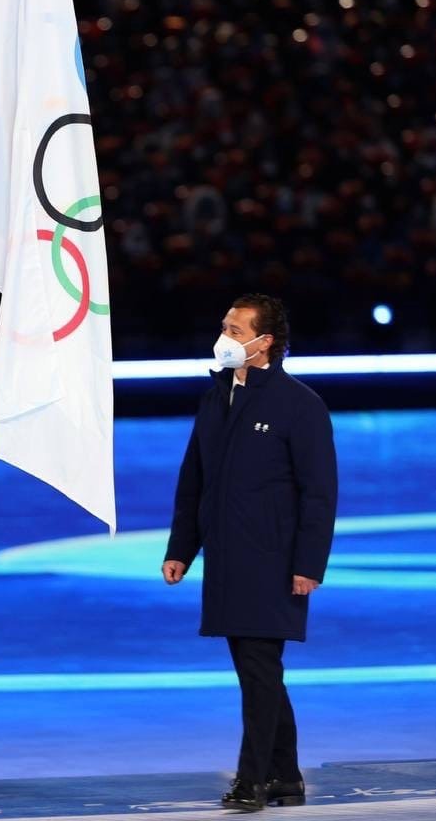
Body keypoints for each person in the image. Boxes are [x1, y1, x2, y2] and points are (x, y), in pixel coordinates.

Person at [162, 294, 338, 812]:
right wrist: (181, 549)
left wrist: (308, 565)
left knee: (259, 670)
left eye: (236, 330)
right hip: (226, 560)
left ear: (266, 342)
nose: (225, 338)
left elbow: (319, 493)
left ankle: (252, 781)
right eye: (225, 327)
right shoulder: (215, 398)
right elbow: (194, 480)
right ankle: (286, 777)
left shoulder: (299, 405)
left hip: (274, 563)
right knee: (259, 672)